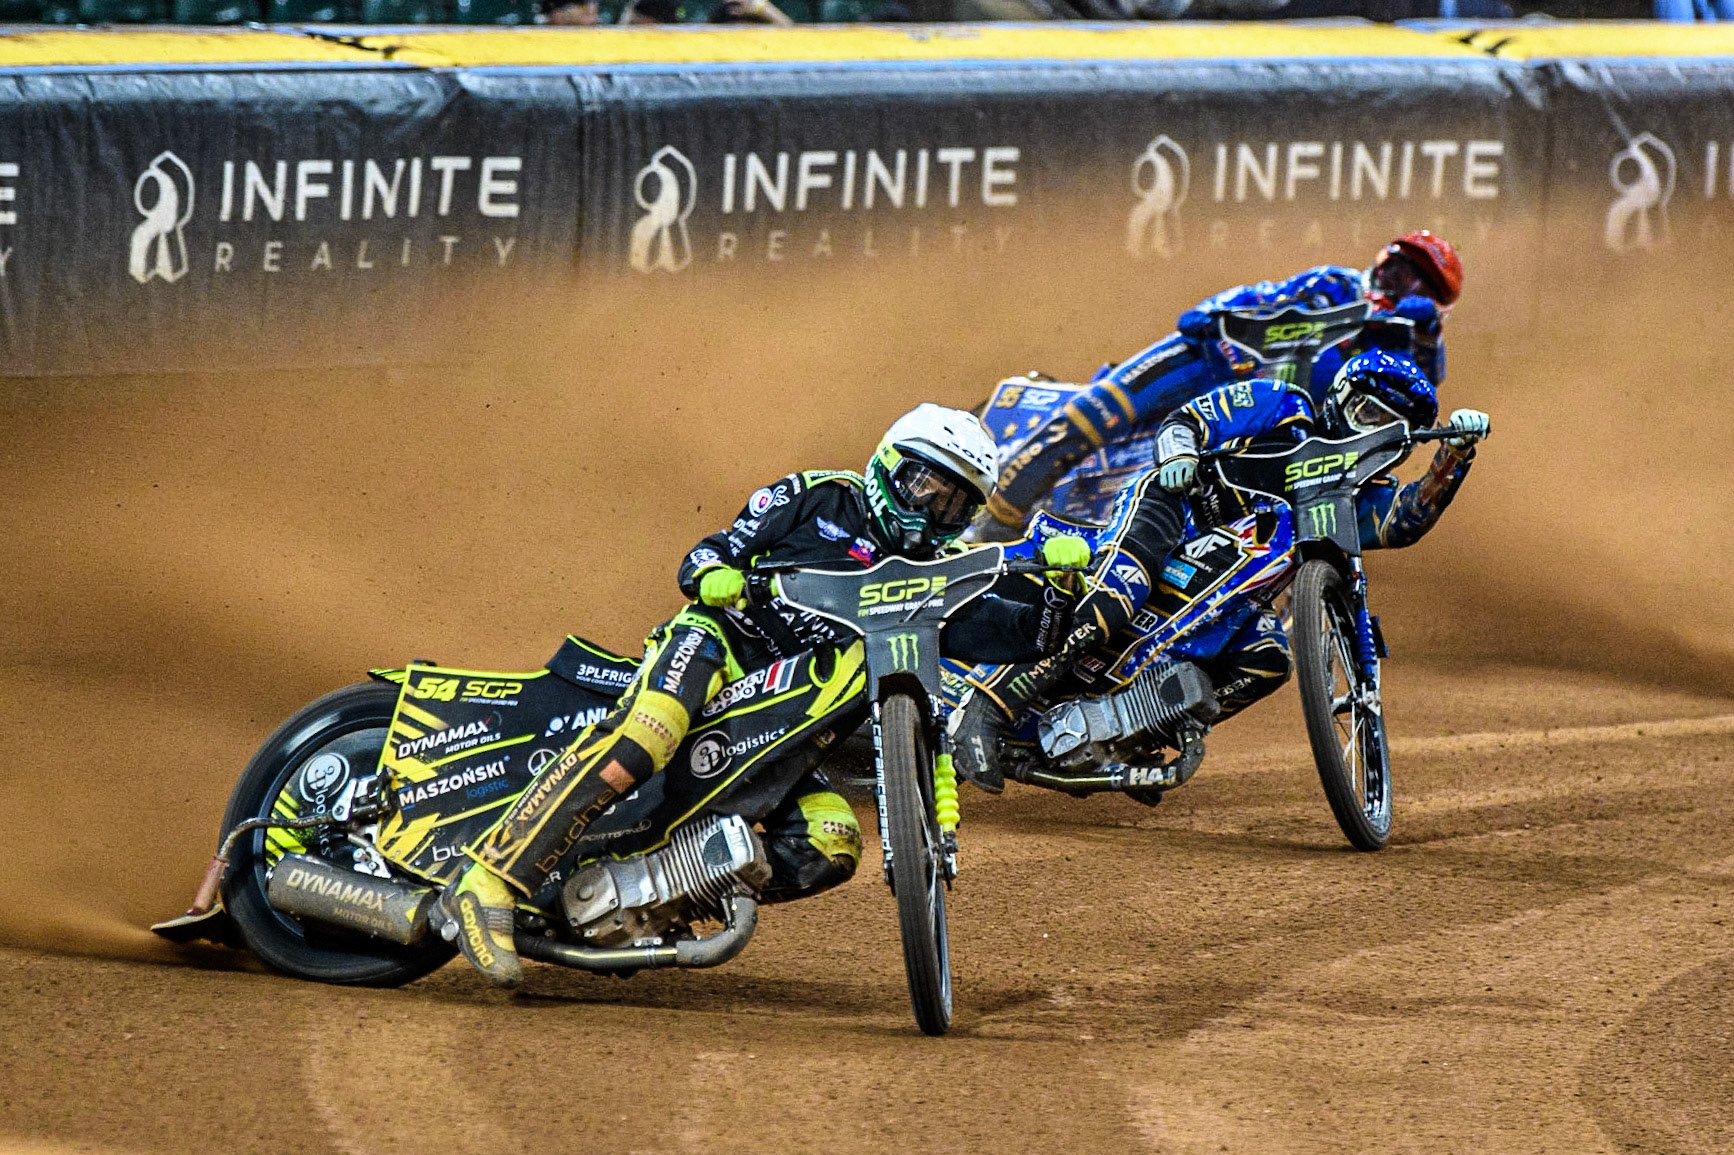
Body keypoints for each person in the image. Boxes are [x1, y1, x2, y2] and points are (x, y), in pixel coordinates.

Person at [431, 404, 1092, 987]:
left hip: (791, 735)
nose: (929, 510)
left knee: (831, 841)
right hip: (718, 645)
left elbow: (1030, 634)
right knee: (650, 732)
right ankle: (489, 876)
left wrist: (1062, 583)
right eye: (923, 484)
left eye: (951, 503)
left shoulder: (935, 579)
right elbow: (708, 553)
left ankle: (639, 901)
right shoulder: (819, 495)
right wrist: (718, 576)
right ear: (889, 465)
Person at [951, 348, 1490, 794]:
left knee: (1270, 660)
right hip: (1174, 511)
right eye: (1370, 416)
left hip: (1233, 592)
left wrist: (1456, 454)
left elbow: (1407, 520)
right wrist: (1180, 455)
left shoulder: (1361, 498)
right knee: (1122, 593)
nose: (1377, 435)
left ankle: (1130, 734)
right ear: (1344, 400)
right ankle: (985, 708)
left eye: (1393, 434)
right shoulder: (1286, 405)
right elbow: (1187, 419)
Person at [981, 231, 1464, 537]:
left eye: (1419, 285)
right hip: (1209, 360)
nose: (1402, 286)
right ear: (1381, 263)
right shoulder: (1335, 285)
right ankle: (986, 525)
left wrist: (1421, 336)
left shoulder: (1405, 347)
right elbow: (1262, 296)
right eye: (1399, 270)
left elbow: (1422, 390)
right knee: (1089, 419)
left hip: (1253, 425)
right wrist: (1218, 315)